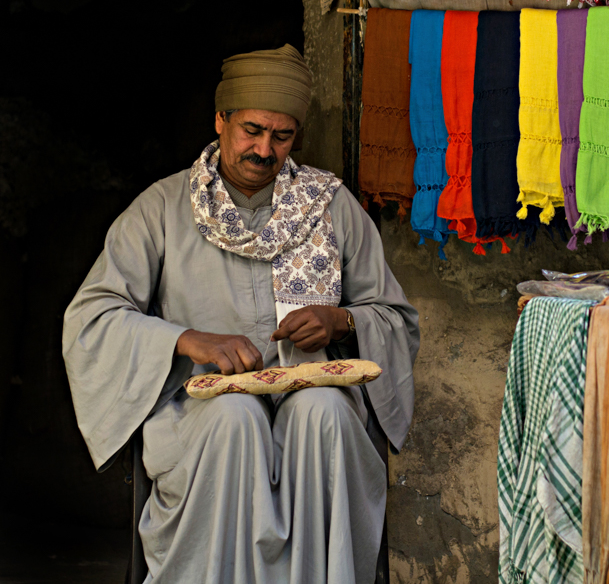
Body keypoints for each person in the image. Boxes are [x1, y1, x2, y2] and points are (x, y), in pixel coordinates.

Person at [62, 44, 419, 584]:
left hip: (315, 402)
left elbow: (394, 316)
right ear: (220, 121)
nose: (264, 149)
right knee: (236, 418)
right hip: (201, 415)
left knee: (321, 413)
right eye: (251, 130)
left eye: (281, 136)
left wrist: (341, 321)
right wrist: (186, 339)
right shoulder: (161, 208)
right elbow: (92, 316)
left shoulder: (331, 205)